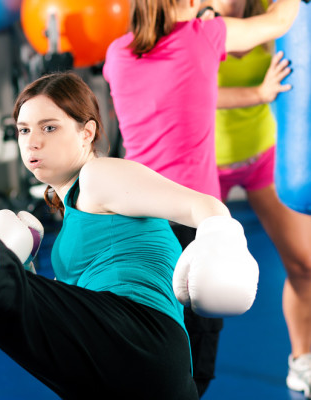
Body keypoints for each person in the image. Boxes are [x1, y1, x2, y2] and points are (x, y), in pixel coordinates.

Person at [0, 71, 259, 399]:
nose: (32, 142)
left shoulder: (99, 176)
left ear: (86, 132)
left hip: (140, 336)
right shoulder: (71, 211)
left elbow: (205, 207)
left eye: (49, 127)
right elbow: (62, 321)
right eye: (24, 129)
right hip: (136, 369)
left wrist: (220, 236)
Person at [102, 0, 302, 395]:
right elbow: (282, 19)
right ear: (191, 2)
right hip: (195, 224)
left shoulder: (117, 54)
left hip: (136, 217)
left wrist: (256, 92)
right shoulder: (203, 38)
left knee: (146, 334)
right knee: (197, 354)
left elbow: (192, 88)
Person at [199, 0, 311, 396]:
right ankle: (171, 371)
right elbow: (192, 91)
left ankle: (302, 360)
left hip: (264, 155)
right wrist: (259, 92)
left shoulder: (275, 7)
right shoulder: (191, 14)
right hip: (204, 163)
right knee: (181, 280)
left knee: (305, 262)